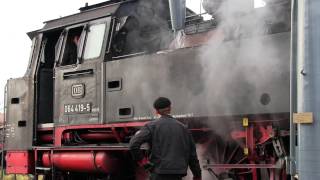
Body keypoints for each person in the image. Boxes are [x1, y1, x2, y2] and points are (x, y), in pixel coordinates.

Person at [129, 97, 202, 180]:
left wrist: (144, 162)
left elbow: (133, 144)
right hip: (177, 173)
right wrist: (197, 175)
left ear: (156, 111)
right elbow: (192, 155)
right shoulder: (184, 128)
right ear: (170, 108)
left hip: (158, 172)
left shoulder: (151, 126)